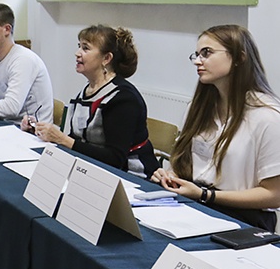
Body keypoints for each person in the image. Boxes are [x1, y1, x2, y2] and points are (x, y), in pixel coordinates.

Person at [151, 25, 280, 231]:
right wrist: (171, 176)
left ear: (239, 58)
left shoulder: (268, 116)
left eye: (207, 53)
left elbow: (275, 195)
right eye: (196, 54)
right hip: (198, 205)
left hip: (243, 221)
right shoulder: (199, 107)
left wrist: (205, 195)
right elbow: (184, 160)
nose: (197, 61)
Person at [29, 25, 159, 179]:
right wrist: (41, 131)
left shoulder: (123, 98)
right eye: (79, 46)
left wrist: (62, 139)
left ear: (106, 58)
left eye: (85, 48)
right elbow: (79, 139)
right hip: (91, 171)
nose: (77, 53)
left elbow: (115, 159)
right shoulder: (86, 92)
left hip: (132, 177)